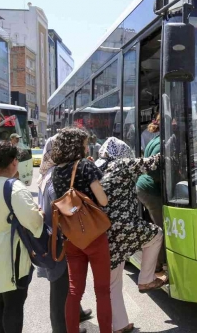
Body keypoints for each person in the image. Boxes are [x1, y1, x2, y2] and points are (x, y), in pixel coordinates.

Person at [95, 137, 165, 333]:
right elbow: (154, 161)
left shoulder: (98, 167)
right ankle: (146, 279)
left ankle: (120, 326)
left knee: (114, 282)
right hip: (124, 226)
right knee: (156, 234)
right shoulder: (122, 164)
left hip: (103, 231)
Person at [0, 142, 44, 333]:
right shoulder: (14, 188)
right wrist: (40, 214)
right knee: (14, 304)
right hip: (11, 255)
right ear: (14, 162)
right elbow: (34, 223)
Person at [51, 127, 111, 333]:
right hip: (93, 234)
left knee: (74, 291)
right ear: (78, 145)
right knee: (102, 291)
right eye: (85, 143)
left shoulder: (57, 170)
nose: (87, 147)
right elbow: (102, 200)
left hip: (71, 235)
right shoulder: (85, 166)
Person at [37, 135, 91, 333]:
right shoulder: (56, 176)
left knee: (63, 287)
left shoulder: (48, 172)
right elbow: (62, 210)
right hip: (59, 241)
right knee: (60, 290)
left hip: (53, 239)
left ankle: (69, 323)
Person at [136, 117, 168, 277]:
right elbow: (154, 171)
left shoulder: (156, 139)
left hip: (144, 187)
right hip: (149, 189)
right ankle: (158, 266)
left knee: (157, 227)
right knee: (161, 229)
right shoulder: (162, 143)